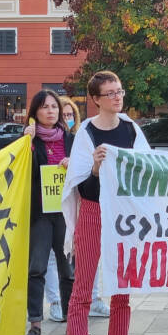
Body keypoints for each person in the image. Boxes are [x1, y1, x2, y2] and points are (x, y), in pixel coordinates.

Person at [62, 71, 154, 335]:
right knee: (83, 289)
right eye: (111, 93)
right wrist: (98, 169)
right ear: (96, 99)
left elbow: (149, 173)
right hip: (94, 213)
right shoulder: (85, 134)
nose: (118, 97)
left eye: (120, 91)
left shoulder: (131, 130)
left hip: (123, 215)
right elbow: (83, 189)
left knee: (122, 287)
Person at [44, 96, 110, 323]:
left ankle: (93, 298)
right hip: (50, 204)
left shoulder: (78, 138)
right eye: (64, 115)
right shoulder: (44, 139)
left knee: (86, 254)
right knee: (55, 255)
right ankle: (55, 301)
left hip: (80, 203)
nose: (67, 119)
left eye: (70, 115)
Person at [23, 90, 75, 335]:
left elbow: (85, 171)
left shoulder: (71, 139)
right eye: (44, 107)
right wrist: (26, 145)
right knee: (36, 268)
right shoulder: (28, 141)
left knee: (68, 270)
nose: (51, 111)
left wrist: (72, 163)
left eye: (54, 106)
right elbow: (20, 172)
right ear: (35, 112)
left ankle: (71, 320)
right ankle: (34, 323)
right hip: (39, 214)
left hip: (64, 213)